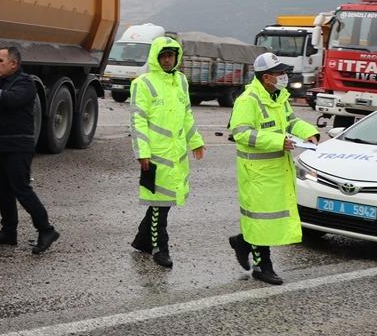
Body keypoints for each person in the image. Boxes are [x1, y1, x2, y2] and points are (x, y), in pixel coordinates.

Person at [227, 52, 320, 285]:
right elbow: (240, 132)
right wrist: (277, 141)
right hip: (256, 172)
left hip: (277, 168)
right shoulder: (248, 100)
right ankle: (262, 266)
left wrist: (309, 132)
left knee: (270, 218)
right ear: (266, 77)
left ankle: (243, 242)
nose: (284, 76)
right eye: (280, 73)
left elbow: (291, 122)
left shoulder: (279, 97)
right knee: (262, 218)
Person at [0, 46, 60, 255]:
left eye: (0, 61)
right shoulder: (1, 85)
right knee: (2, 191)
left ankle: (46, 229)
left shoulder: (25, 83)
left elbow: (11, 101)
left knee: (21, 189)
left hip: (18, 147)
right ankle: (8, 231)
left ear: (14, 63)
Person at [127, 37, 205, 268]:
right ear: (156, 57)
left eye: (171, 56)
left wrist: (196, 142)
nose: (167, 60)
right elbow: (137, 121)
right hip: (155, 155)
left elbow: (187, 114)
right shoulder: (143, 83)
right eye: (163, 56)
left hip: (177, 154)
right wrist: (142, 152)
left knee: (164, 201)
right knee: (159, 203)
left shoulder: (181, 81)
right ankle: (160, 248)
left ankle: (142, 240)